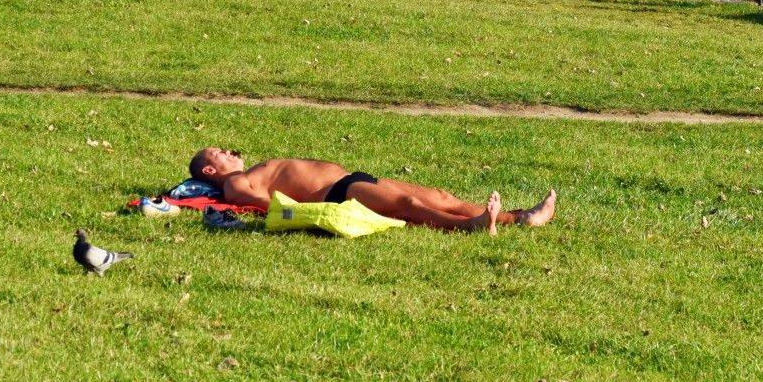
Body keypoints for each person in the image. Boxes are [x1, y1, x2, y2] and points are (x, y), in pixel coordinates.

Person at [187, 147, 556, 234]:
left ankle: (521, 217)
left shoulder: (247, 172)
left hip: (349, 182)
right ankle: (471, 225)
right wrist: (308, 212)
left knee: (440, 195)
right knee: (409, 205)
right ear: (209, 169)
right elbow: (268, 204)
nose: (228, 152)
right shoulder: (235, 182)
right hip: (337, 194)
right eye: (219, 153)